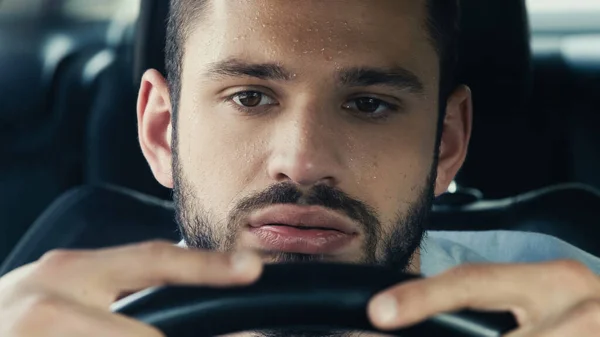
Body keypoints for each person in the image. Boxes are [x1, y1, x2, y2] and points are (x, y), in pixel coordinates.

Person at [1, 1, 600, 336]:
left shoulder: (575, 307)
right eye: (250, 96)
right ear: (162, 130)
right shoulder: (50, 323)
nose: (304, 162)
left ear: (446, 143)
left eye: (369, 104)